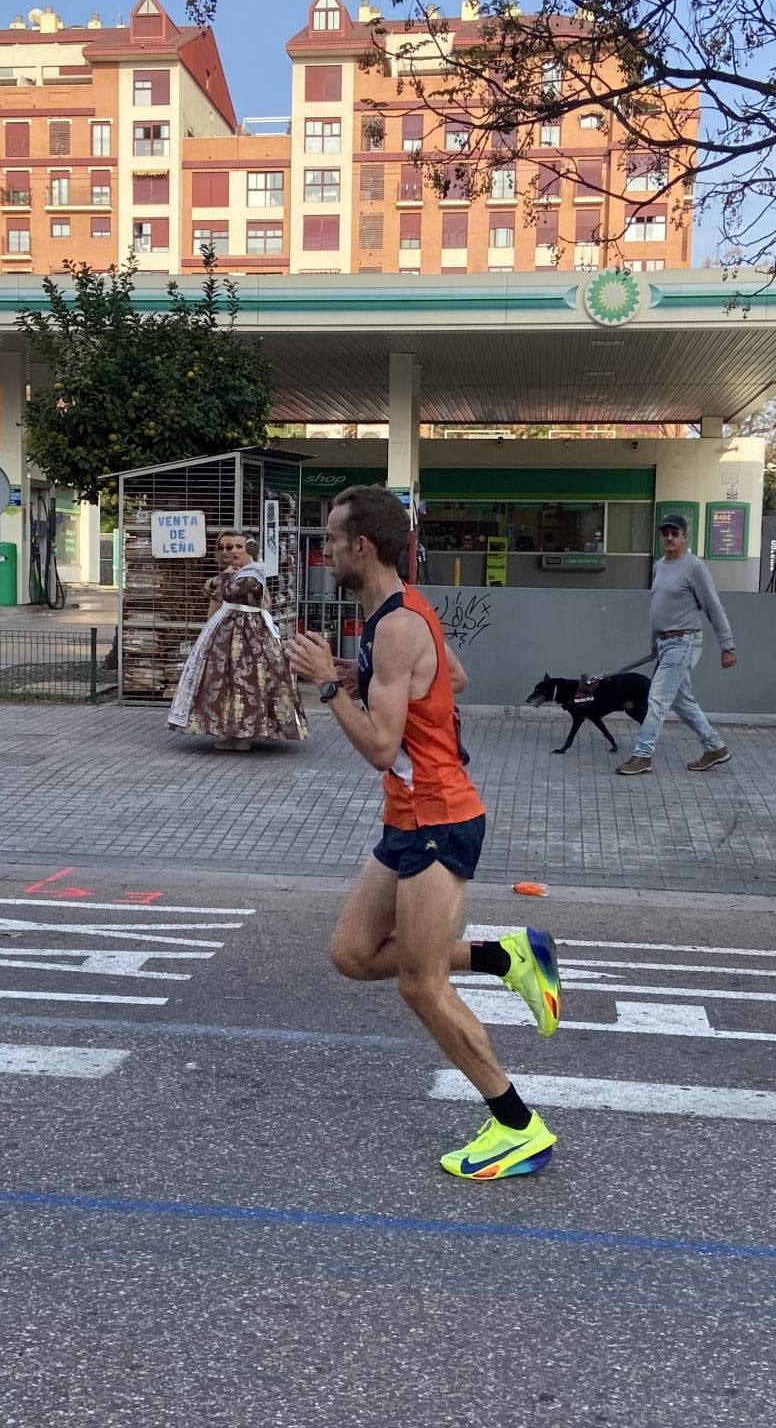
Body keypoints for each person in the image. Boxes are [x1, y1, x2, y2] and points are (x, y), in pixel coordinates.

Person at [287, 486, 564, 1180]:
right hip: (409, 816)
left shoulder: (395, 625)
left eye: (331, 539)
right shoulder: (400, 612)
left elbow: (382, 746)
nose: (324, 551)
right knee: (352, 954)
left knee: (420, 983)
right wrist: (368, 674)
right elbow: (456, 677)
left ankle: (517, 1125)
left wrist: (330, 685)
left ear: (364, 547)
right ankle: (506, 958)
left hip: (440, 813)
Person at [617, 514, 739, 776]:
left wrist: (727, 646)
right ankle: (715, 747)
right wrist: (654, 642)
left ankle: (643, 755)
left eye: (675, 533)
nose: (670, 538)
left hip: (684, 641)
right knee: (682, 701)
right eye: (665, 533)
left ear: (684, 536)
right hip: (665, 644)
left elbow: (713, 607)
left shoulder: (694, 567)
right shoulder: (660, 566)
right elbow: (656, 607)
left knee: (657, 699)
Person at [167, 530, 308, 751]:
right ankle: (229, 731)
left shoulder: (253, 573)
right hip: (224, 629)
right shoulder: (239, 573)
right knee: (222, 678)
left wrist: (220, 579)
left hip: (250, 632)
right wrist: (217, 581)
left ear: (249, 549)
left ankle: (246, 732)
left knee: (248, 678)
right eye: (224, 548)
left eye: (236, 547)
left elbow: (230, 591)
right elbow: (213, 589)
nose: (229, 552)